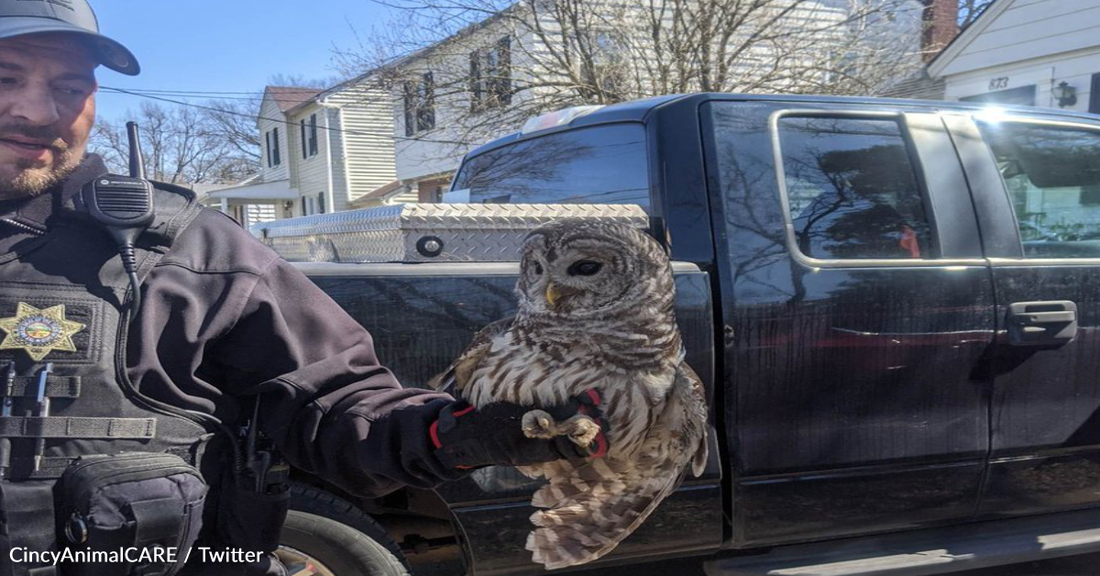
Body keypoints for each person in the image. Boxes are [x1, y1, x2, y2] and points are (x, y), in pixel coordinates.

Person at [0, 2, 601, 575]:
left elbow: (337, 404)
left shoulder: (192, 253)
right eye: (7, 76)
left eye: (71, 87)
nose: (38, 111)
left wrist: (458, 432)